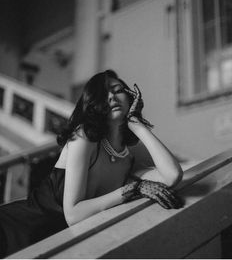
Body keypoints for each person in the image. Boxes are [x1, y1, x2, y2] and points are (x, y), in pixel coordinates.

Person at [0, 70, 183, 257]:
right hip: (14, 229)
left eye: (118, 90)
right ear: (94, 104)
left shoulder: (129, 155)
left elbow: (172, 175)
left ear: (130, 98)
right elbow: (73, 215)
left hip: (53, 243)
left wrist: (137, 124)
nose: (111, 96)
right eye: (103, 94)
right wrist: (132, 190)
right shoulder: (84, 137)